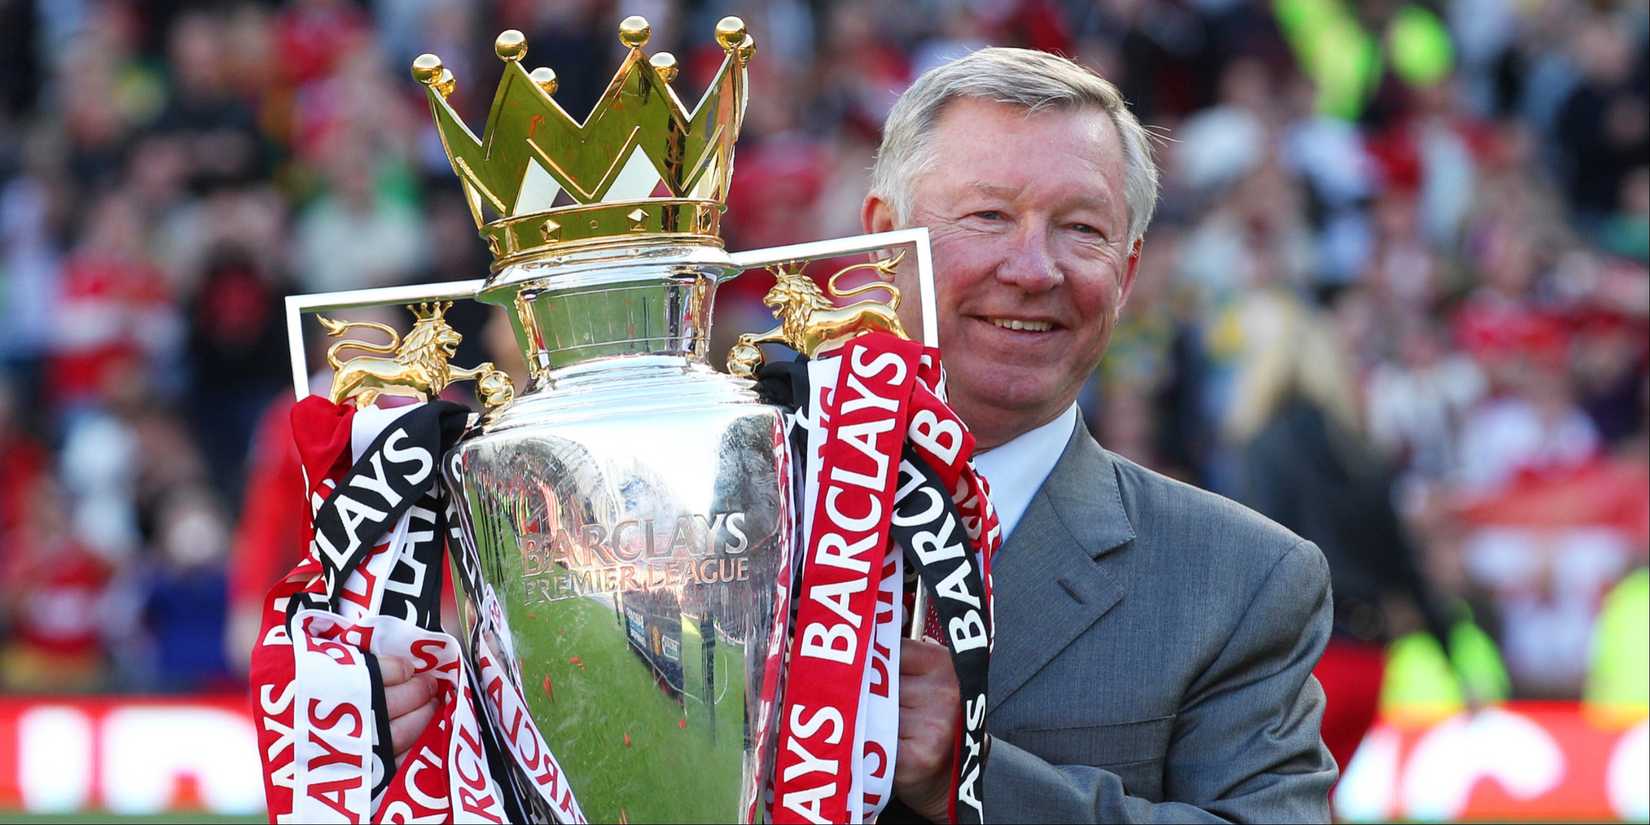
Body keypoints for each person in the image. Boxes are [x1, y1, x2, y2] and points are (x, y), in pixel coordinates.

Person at [860, 48, 1336, 821]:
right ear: (886, 239)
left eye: (1081, 229)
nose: (1033, 267)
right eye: (988, 216)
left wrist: (974, 774)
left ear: (1126, 270)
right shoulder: (734, 512)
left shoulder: (1241, 581)